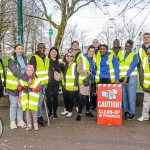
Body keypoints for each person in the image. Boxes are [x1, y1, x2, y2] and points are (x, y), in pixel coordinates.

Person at [6, 44, 32, 129]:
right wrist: (27, 79)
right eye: (18, 49)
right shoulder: (11, 60)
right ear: (15, 50)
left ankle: (20, 120)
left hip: (22, 85)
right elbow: (15, 72)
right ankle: (12, 122)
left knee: (20, 103)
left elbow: (28, 70)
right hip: (13, 86)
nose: (20, 50)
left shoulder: (25, 58)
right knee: (14, 104)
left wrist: (31, 77)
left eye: (22, 49)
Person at [76, 46, 96, 121]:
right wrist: (86, 71)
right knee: (83, 97)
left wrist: (93, 72)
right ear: (87, 51)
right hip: (84, 81)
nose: (91, 53)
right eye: (90, 51)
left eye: (93, 52)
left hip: (92, 80)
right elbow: (78, 69)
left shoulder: (94, 59)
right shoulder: (82, 58)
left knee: (89, 97)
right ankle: (79, 113)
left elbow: (94, 70)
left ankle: (87, 111)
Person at [18, 65, 41, 131]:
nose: (29, 71)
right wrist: (22, 88)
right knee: (27, 113)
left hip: (33, 100)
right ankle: (29, 125)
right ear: (25, 71)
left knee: (34, 113)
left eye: (30, 70)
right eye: (27, 70)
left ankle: (35, 124)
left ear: (33, 71)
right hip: (25, 100)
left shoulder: (36, 80)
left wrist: (31, 89)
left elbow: (38, 88)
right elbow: (19, 88)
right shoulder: (22, 80)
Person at [29, 43, 48, 126]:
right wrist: (37, 83)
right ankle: (39, 118)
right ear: (37, 48)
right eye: (40, 47)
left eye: (44, 48)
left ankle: (38, 117)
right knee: (39, 101)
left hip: (44, 83)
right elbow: (32, 71)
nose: (42, 49)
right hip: (38, 84)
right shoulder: (34, 57)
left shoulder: (45, 58)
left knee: (40, 101)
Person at [119, 40, 138, 120]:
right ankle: (126, 111)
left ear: (131, 46)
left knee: (131, 95)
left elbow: (132, 66)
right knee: (124, 95)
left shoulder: (134, 55)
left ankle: (132, 113)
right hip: (122, 78)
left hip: (131, 77)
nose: (127, 47)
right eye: (126, 45)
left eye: (129, 46)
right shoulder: (121, 54)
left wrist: (126, 77)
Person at [45, 47, 62, 119]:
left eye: (55, 52)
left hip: (56, 83)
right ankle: (50, 112)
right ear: (50, 52)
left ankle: (55, 112)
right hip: (47, 83)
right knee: (48, 98)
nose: (54, 53)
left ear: (57, 53)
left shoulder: (59, 61)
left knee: (55, 98)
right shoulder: (46, 60)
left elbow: (61, 72)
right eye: (52, 51)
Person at [61, 52, 78, 117]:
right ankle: (67, 109)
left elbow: (76, 75)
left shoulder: (75, 64)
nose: (69, 57)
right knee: (65, 98)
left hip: (72, 85)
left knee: (71, 99)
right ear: (65, 57)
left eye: (71, 56)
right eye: (67, 56)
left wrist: (75, 85)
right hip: (65, 85)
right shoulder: (64, 64)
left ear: (73, 58)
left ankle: (70, 111)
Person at [138, 33, 150, 121]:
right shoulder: (140, 50)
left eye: (148, 37)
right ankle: (145, 115)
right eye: (144, 37)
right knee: (146, 100)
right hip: (146, 80)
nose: (146, 38)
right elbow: (139, 65)